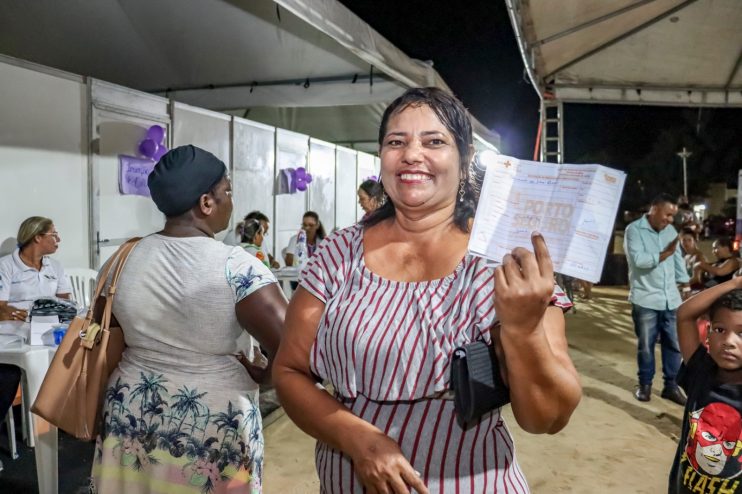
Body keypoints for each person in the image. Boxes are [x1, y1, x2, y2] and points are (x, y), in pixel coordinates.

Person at [273, 87, 581, 493]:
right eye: (395, 142)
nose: (411, 155)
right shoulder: (338, 252)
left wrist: (522, 330)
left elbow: (548, 418)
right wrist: (358, 439)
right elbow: (289, 371)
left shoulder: (505, 262)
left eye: (434, 141)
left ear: (465, 157)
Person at [90, 145, 287, 493]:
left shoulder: (120, 260)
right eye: (227, 191)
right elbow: (292, 346)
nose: (230, 200)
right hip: (209, 419)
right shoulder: (237, 267)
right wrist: (266, 376)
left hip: (129, 411)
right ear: (206, 203)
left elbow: (108, 331)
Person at [0, 216, 71, 472]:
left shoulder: (55, 266)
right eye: (53, 234)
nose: (58, 239)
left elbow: (65, 301)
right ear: (37, 237)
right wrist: (9, 312)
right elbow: (0, 307)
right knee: (6, 378)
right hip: (12, 338)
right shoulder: (7, 266)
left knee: (74, 361)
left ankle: (64, 422)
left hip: (47, 333)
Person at [669, 277, 742, 493]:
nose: (729, 341)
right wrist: (735, 283)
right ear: (708, 333)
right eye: (720, 330)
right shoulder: (701, 371)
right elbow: (684, 315)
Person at [625, 193, 690, 404]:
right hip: (646, 299)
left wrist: (685, 282)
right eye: (668, 214)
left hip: (671, 299)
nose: (670, 220)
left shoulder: (670, 231)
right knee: (646, 345)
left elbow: (677, 258)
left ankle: (671, 386)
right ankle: (645, 385)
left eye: (673, 216)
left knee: (674, 345)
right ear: (654, 209)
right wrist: (664, 254)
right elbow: (638, 261)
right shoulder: (634, 230)